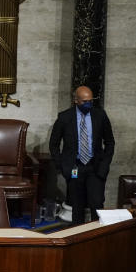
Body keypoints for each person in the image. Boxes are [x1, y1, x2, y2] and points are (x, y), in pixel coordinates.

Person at [49, 85, 116, 225]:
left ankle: (98, 237)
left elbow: (110, 142)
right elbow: (53, 144)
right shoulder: (64, 117)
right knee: (77, 207)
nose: (88, 104)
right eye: (85, 101)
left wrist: (104, 165)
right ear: (76, 100)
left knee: (97, 204)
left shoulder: (100, 115)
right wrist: (62, 166)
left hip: (95, 168)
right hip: (75, 168)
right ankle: (78, 240)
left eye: (91, 101)